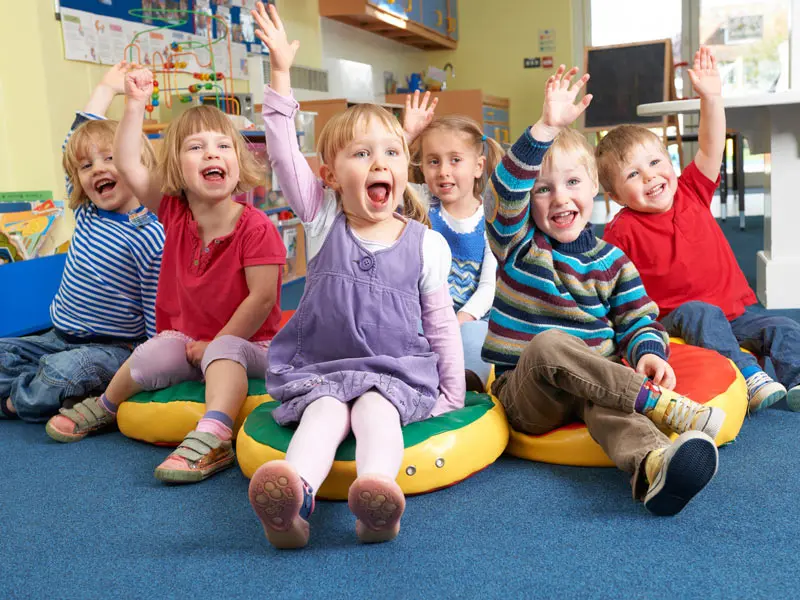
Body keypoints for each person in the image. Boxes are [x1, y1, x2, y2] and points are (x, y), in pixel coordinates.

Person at [247, 1, 464, 548]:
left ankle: (376, 500)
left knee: (376, 414)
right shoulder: (322, 218)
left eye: (391, 152)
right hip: (324, 366)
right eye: (361, 154)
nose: (378, 163)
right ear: (329, 176)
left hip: (393, 372)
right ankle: (291, 502)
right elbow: (282, 155)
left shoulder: (426, 245)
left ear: (405, 169)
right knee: (322, 415)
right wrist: (279, 75)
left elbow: (440, 326)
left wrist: (451, 395)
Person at [484, 65, 724, 516]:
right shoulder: (517, 247)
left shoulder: (613, 260)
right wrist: (545, 129)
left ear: (596, 188)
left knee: (609, 408)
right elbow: (505, 191)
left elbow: (637, 318)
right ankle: (659, 405)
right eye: (543, 190)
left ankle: (654, 466)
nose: (560, 198)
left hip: (597, 384)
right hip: (529, 394)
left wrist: (649, 351)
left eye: (573, 183)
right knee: (551, 343)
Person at [45, 66, 287, 485]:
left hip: (251, 345)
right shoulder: (173, 212)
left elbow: (262, 299)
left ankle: (213, 435)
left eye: (222, 146)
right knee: (152, 351)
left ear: (237, 159)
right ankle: (105, 405)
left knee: (224, 352)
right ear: (175, 167)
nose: (212, 154)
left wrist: (217, 341)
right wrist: (134, 103)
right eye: (196, 148)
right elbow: (125, 161)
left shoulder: (256, 227)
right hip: (189, 343)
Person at [599, 46, 800, 412]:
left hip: (736, 316)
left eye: (656, 162)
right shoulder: (621, 229)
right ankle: (748, 377)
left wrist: (711, 98)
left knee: (784, 326)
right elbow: (608, 283)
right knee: (700, 312)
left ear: (670, 162)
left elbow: (710, 145)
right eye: (633, 174)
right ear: (613, 195)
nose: (650, 177)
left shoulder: (691, 189)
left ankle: (797, 379)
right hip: (678, 322)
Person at [0, 61, 164, 423]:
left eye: (110, 159)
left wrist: (152, 365)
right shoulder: (87, 210)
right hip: (56, 335)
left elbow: (157, 304)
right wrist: (105, 88)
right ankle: (42, 385)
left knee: (64, 372)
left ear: (136, 165)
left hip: (112, 348)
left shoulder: (149, 232)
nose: (98, 169)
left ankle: (19, 401)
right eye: (87, 167)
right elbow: (72, 144)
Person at [402, 92, 504, 392]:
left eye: (455, 160)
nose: (443, 171)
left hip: (470, 317)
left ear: (477, 166)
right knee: (406, 331)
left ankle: (465, 384)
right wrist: (407, 135)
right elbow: (390, 171)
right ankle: (415, 379)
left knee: (477, 338)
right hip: (427, 315)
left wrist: (460, 318)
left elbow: (488, 286)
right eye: (433, 161)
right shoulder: (420, 208)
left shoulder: (491, 219)